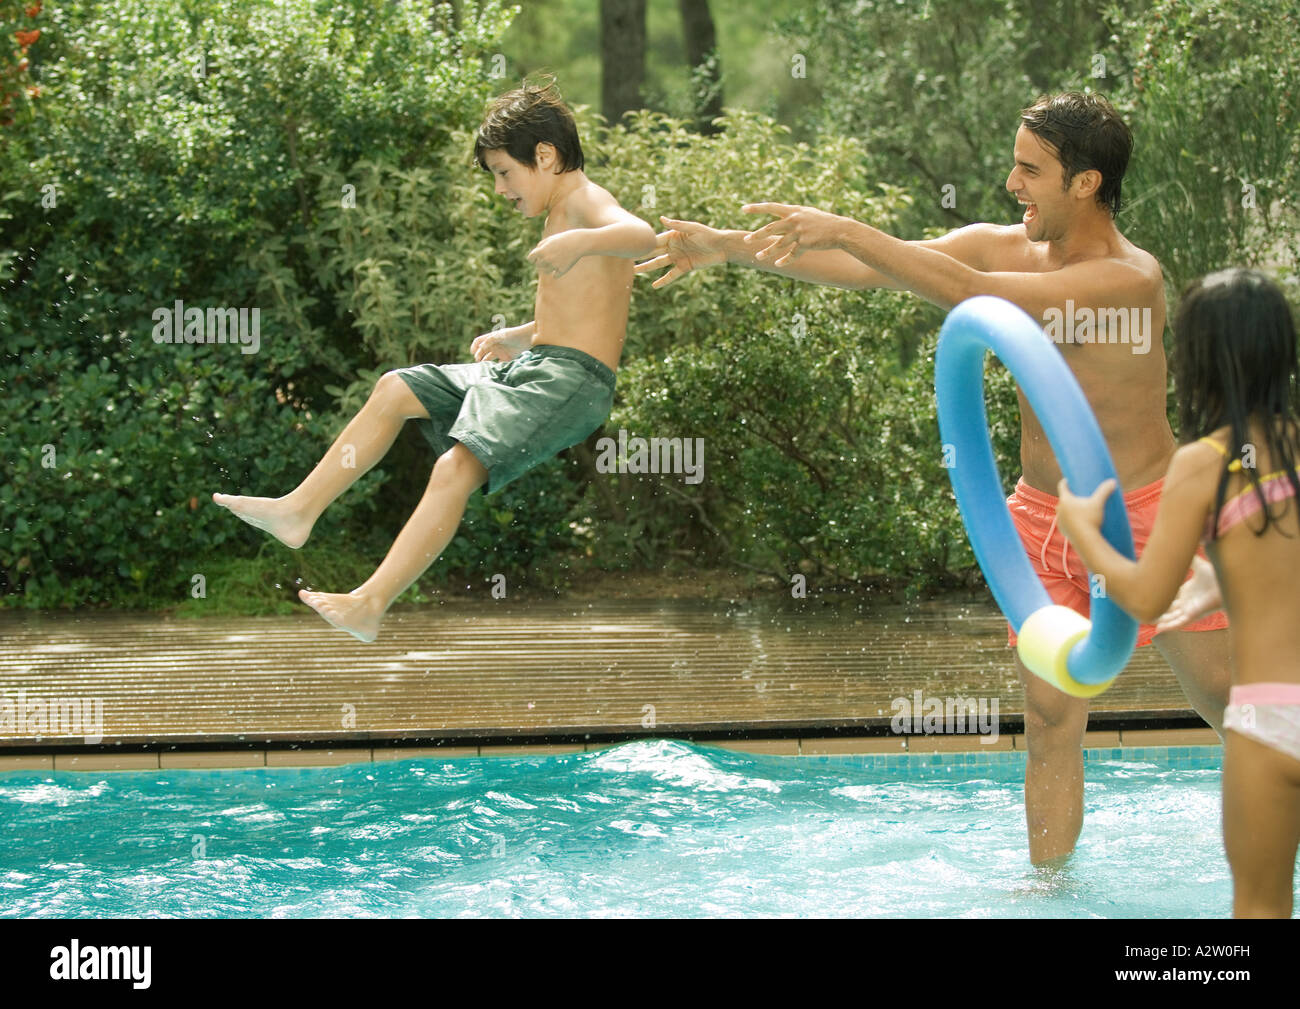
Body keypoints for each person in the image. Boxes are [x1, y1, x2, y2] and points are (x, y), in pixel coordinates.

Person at [635, 91, 1233, 864]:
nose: (1012, 184)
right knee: (1050, 722)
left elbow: (969, 297)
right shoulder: (1007, 243)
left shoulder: (1126, 281)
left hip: (1144, 519)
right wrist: (729, 247)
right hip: (1039, 523)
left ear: (1085, 182)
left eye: (1030, 170)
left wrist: (849, 222)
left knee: (1231, 705)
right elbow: (869, 267)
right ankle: (1050, 900)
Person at [213, 79, 655, 641]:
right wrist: (522, 335)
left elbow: (641, 237)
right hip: (537, 366)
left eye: (504, 172)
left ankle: (370, 603)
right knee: (396, 388)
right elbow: (582, 312)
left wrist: (580, 243)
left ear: (544, 156)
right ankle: (298, 510)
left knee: (454, 467)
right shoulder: (562, 210)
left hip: (571, 382)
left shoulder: (587, 203)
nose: (500, 189)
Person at [1056, 268, 1300, 917]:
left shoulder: (1201, 461)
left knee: (1260, 909)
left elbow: (1141, 596)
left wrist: (1083, 531)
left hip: (1270, 719)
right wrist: (1225, 581)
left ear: (1196, 360)